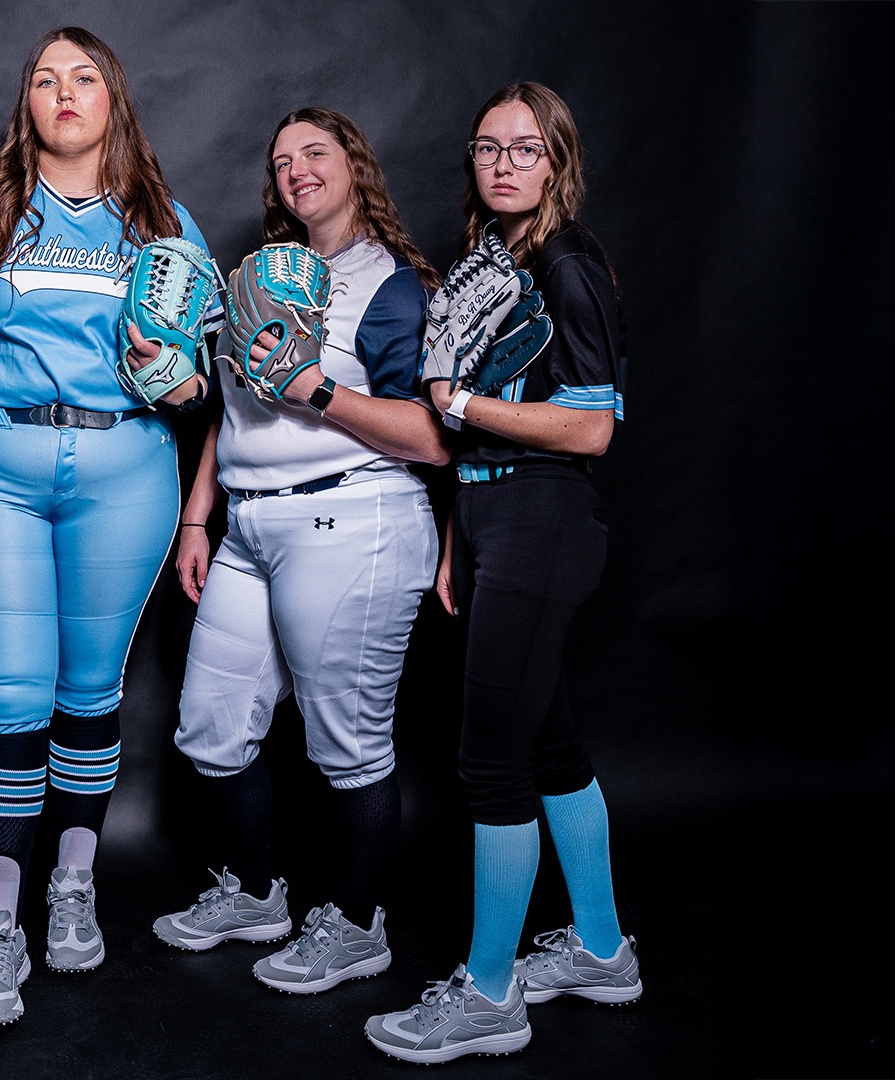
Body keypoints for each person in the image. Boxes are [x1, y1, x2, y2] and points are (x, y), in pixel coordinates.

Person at [0, 26, 222, 1030]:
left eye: (83, 76)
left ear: (112, 99)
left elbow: (202, 381)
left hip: (126, 466)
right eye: (45, 79)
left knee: (90, 689)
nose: (64, 92)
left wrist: (183, 381)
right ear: (27, 106)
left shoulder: (163, 220)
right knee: (5, 696)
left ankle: (72, 884)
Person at [364, 81, 639, 1064]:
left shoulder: (565, 261)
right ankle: (603, 950)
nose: (504, 164)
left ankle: (487, 994)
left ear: (558, 163)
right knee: (552, 750)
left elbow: (592, 426)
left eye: (526, 149)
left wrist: (465, 406)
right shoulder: (497, 259)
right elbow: (471, 426)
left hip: (543, 524)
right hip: (493, 523)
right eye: (489, 147)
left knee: (489, 764)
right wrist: (456, 540)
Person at [150, 108, 447, 998]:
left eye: (315, 153)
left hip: (353, 517)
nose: (296, 171)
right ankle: (253, 894)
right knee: (208, 728)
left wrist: (317, 389)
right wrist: (198, 518)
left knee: (346, 746)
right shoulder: (256, 277)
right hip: (249, 524)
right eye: (282, 161)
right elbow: (232, 410)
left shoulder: (392, 284)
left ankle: (356, 925)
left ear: (354, 165)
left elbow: (433, 438)